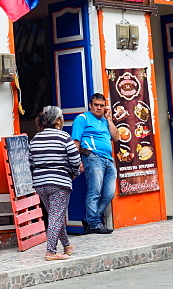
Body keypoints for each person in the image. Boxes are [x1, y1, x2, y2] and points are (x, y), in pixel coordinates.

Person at [29, 105, 82, 261]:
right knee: (56, 216)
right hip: (59, 181)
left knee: (55, 215)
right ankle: (51, 251)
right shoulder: (64, 137)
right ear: (58, 120)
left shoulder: (35, 138)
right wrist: (74, 173)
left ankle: (66, 245)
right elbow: (75, 159)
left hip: (40, 183)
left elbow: (31, 162)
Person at [71, 92, 120, 234]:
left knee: (109, 193)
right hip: (92, 158)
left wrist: (109, 119)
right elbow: (76, 141)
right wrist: (77, 161)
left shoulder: (105, 121)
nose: (99, 108)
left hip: (108, 159)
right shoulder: (83, 118)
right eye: (96, 105)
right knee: (95, 191)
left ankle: (90, 219)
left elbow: (116, 138)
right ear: (90, 106)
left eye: (102, 106)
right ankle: (94, 223)